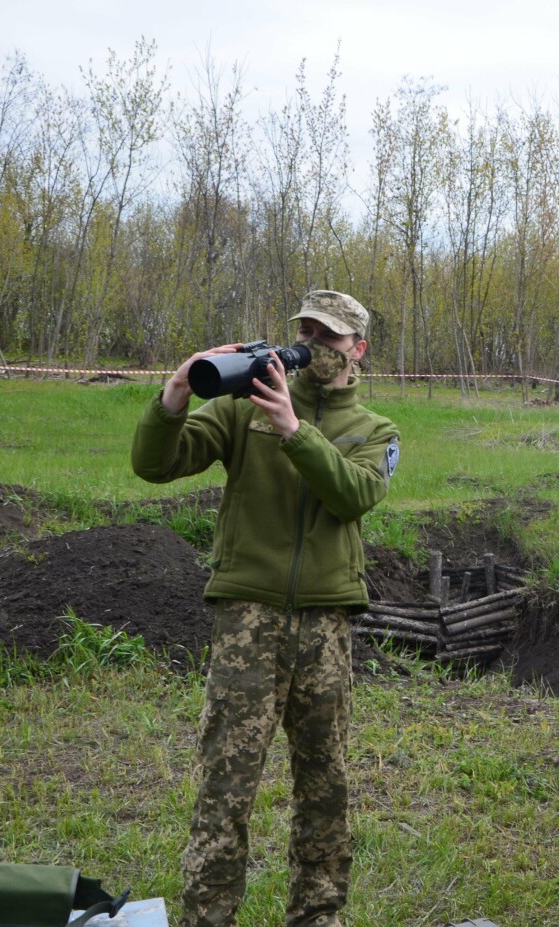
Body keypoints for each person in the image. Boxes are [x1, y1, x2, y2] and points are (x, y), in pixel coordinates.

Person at [132, 291, 400, 927]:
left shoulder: (374, 431)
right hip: (247, 621)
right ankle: (207, 917)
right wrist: (174, 393)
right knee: (226, 785)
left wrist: (293, 430)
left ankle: (318, 916)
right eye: (305, 332)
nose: (312, 347)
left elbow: (353, 495)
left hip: (326, 626)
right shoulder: (238, 410)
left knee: (323, 787)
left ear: (357, 349)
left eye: (328, 338)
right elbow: (154, 464)